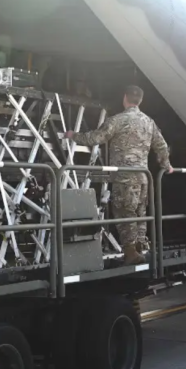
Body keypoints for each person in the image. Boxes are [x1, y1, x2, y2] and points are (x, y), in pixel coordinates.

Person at [66, 85, 172, 265]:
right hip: (144, 177)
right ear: (141, 101)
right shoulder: (149, 122)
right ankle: (139, 249)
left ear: (125, 98)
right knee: (140, 213)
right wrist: (167, 165)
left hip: (124, 177)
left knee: (125, 213)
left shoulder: (117, 120)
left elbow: (96, 138)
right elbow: (161, 146)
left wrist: (73, 135)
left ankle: (131, 252)